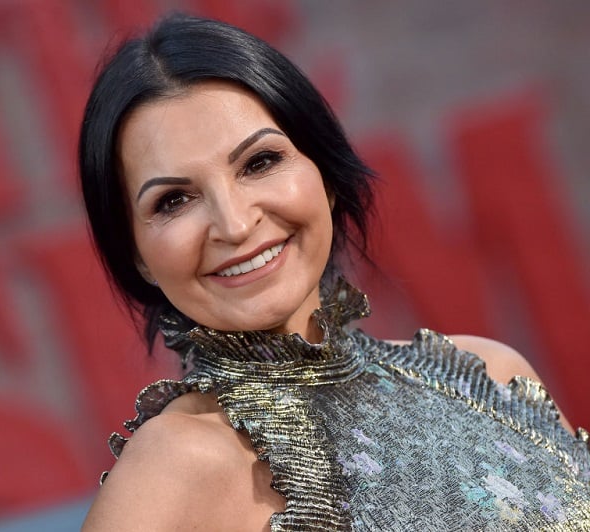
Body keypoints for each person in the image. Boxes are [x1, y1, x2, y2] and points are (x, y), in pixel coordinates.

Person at [78, 13, 590, 531]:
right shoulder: (176, 466)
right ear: (136, 254)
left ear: (324, 176)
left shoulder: (491, 378)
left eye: (259, 163)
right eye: (174, 200)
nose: (234, 224)